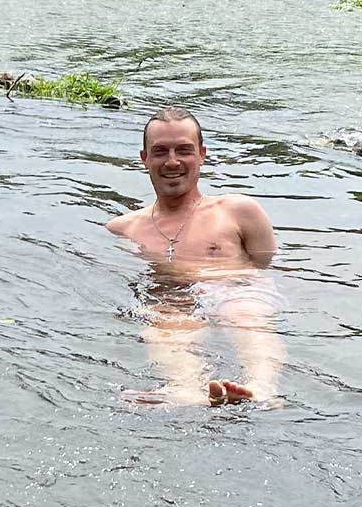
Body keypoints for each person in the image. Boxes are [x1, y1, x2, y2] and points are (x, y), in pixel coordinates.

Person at [107, 107, 284, 406]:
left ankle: (262, 388)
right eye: (160, 151)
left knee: (244, 314)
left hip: (236, 288)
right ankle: (186, 388)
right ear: (144, 159)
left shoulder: (239, 210)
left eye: (184, 150)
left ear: (202, 154)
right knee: (164, 325)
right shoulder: (125, 228)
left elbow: (267, 268)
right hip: (175, 297)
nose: (172, 161)